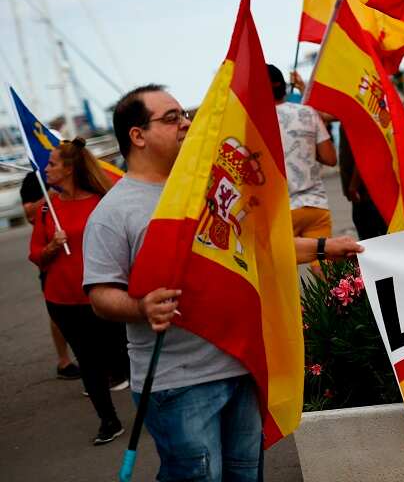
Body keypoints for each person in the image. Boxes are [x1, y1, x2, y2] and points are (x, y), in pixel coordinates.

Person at [83, 84, 363, 480]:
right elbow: (99, 295)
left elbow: (259, 248)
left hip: (240, 363)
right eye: (172, 118)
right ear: (137, 135)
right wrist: (141, 307)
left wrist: (324, 246)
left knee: (246, 475)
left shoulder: (210, 189)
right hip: (179, 383)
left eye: (184, 115)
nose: (186, 124)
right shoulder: (114, 212)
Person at [29, 140, 129, 445]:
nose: (46, 169)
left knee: (123, 358)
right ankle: (108, 420)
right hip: (62, 299)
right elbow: (36, 256)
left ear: (69, 169)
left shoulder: (103, 201)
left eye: (52, 164)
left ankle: (153, 410)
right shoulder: (47, 207)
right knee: (87, 361)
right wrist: (52, 246)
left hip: (103, 296)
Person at [21, 172, 81, 381]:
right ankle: (64, 361)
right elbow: (29, 212)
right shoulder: (34, 180)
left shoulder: (75, 178)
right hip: (51, 256)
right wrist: (49, 197)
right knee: (58, 312)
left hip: (77, 252)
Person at [268, 64, 336, 240]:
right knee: (324, 266)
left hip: (281, 213)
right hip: (316, 206)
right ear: (283, 86)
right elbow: (330, 158)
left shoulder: (254, 124)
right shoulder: (307, 112)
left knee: (283, 268)